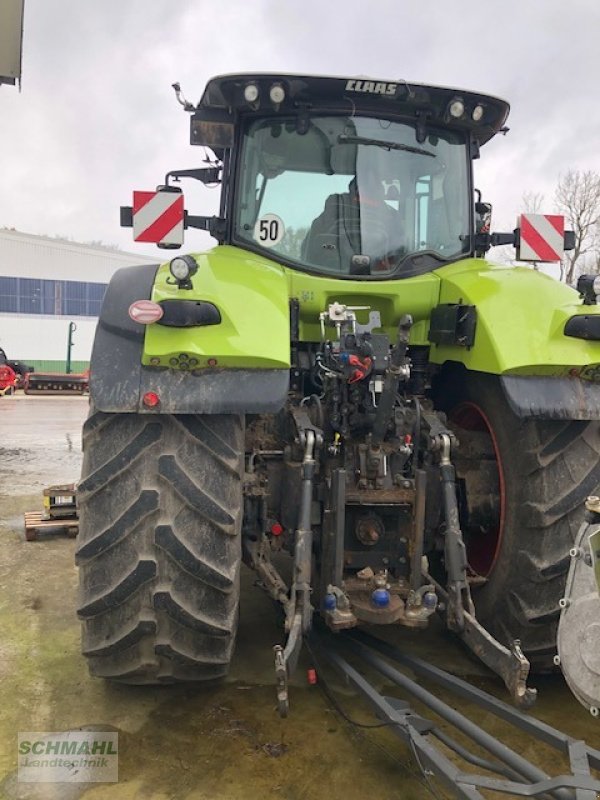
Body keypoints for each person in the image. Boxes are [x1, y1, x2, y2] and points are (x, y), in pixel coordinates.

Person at [302, 174, 404, 273]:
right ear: (380, 191)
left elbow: (307, 254)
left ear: (352, 188)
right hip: (385, 281)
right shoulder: (392, 218)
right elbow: (403, 256)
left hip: (324, 278)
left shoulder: (330, 213)